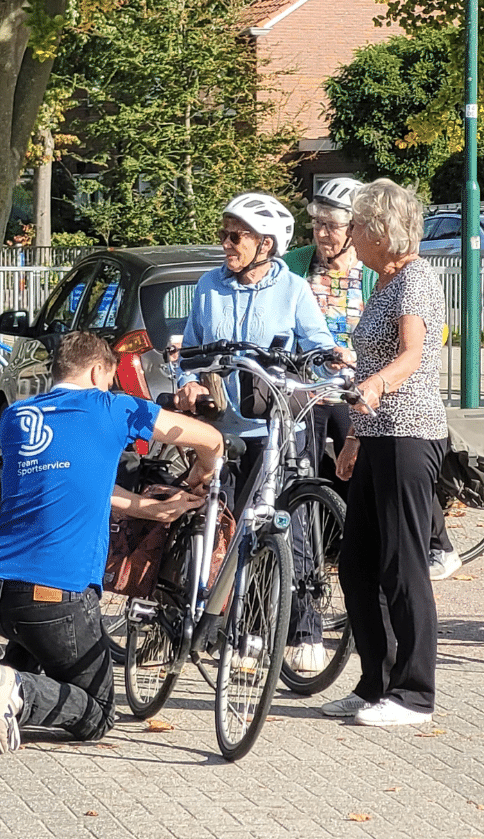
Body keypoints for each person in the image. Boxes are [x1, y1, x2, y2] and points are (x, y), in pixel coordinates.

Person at [0, 331, 223, 753]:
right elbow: (209, 439)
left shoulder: (15, 417)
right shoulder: (112, 408)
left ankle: (5, 680)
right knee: (100, 711)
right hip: (54, 594)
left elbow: (71, 481)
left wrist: (145, 507)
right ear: (96, 371)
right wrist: (203, 473)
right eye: (109, 379)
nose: (110, 387)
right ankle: (20, 691)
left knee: (40, 638)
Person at [174, 191, 349, 677]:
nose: (226, 244)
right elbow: (190, 351)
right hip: (225, 431)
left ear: (266, 244)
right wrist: (188, 381)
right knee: (234, 532)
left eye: (237, 237)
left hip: (279, 428)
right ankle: (245, 631)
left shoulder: (292, 290)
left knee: (290, 529)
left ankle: (305, 630)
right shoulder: (209, 286)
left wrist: (333, 362)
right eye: (224, 234)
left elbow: (319, 346)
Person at [286, 179, 459, 581]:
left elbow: (410, 349)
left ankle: (436, 542)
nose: (323, 234)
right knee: (308, 479)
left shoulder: (383, 273)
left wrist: (370, 376)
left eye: (333, 226)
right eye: (317, 225)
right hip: (317, 391)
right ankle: (305, 572)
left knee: (394, 525)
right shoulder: (299, 265)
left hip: (369, 397)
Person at [324, 179, 446, 727]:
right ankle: (376, 683)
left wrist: (377, 385)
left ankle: (414, 695)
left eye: (356, 225)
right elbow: (371, 361)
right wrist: (353, 435)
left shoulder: (415, 278)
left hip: (408, 435)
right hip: (376, 435)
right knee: (356, 567)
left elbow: (413, 353)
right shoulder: (383, 282)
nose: (349, 234)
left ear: (381, 230)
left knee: (401, 566)